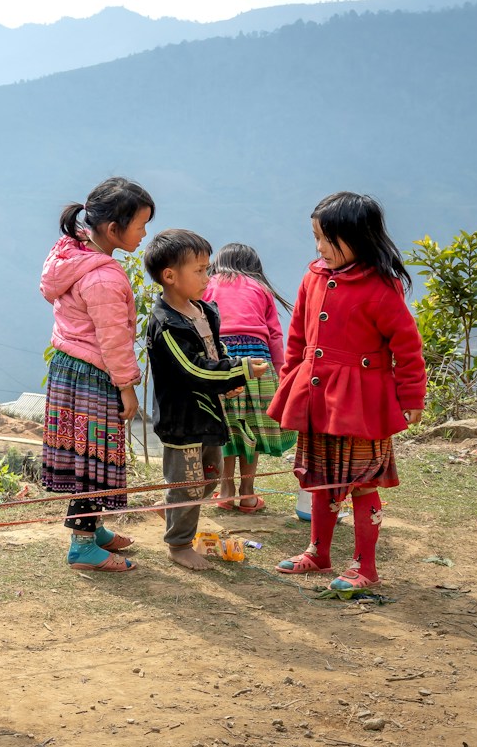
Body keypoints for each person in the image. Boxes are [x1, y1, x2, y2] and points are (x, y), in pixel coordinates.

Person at [270, 193, 427, 592]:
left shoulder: (381, 287)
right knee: (321, 477)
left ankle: (365, 566)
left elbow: (406, 347)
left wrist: (411, 398)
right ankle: (318, 553)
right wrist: (290, 380)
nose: (319, 247)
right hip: (316, 398)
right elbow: (298, 336)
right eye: (316, 238)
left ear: (357, 237)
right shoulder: (313, 277)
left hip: (362, 402)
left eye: (327, 239)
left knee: (362, 482)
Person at [39, 177, 154, 572]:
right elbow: (114, 340)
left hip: (69, 366)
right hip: (93, 372)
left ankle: (92, 528)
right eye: (140, 225)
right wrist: (128, 388)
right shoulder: (103, 278)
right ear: (112, 229)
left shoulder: (71, 253)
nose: (144, 234)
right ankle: (83, 546)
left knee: (87, 454)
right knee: (92, 457)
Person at [143, 230, 266, 571]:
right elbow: (193, 371)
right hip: (182, 420)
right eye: (198, 270)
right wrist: (238, 372)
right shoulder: (166, 325)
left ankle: (172, 507)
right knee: (188, 485)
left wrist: (227, 378)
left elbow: (216, 352)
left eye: (206, 268)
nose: (206, 277)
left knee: (208, 477)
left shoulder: (205, 311)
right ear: (170, 276)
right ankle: (179, 544)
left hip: (209, 415)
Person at [202, 243, 297, 514]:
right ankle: (247, 493)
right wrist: (280, 373)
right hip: (258, 362)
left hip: (222, 360)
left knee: (228, 426)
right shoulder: (261, 289)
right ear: (253, 267)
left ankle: (226, 489)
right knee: (251, 428)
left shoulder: (208, 283)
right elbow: (275, 336)